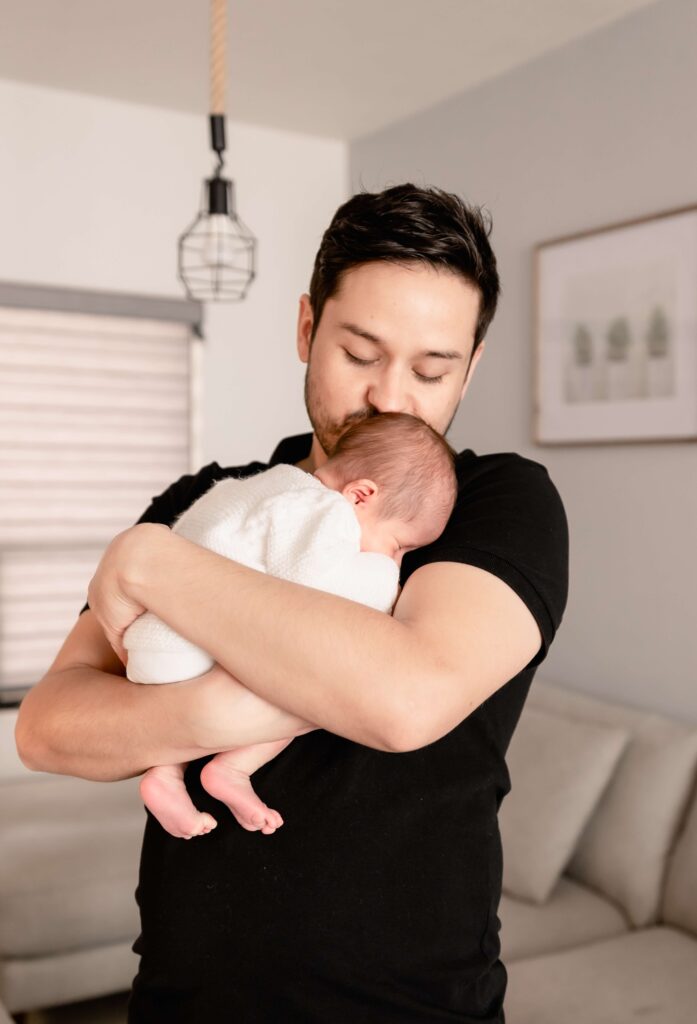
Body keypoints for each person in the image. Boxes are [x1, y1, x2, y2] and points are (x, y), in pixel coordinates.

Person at [16, 182, 569, 1023]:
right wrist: (249, 699)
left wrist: (149, 564)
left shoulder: (496, 503)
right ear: (307, 329)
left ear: (471, 365)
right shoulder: (214, 497)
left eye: (432, 369)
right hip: (179, 998)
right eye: (359, 353)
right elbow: (48, 725)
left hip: (410, 1009)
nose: (391, 397)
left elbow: (403, 700)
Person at [126, 412, 457, 840]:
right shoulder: (326, 514)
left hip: (153, 641)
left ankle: (166, 773)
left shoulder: (267, 484)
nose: (396, 557)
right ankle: (232, 768)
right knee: (313, 688)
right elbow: (312, 596)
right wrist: (384, 575)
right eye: (398, 544)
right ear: (360, 495)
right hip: (189, 649)